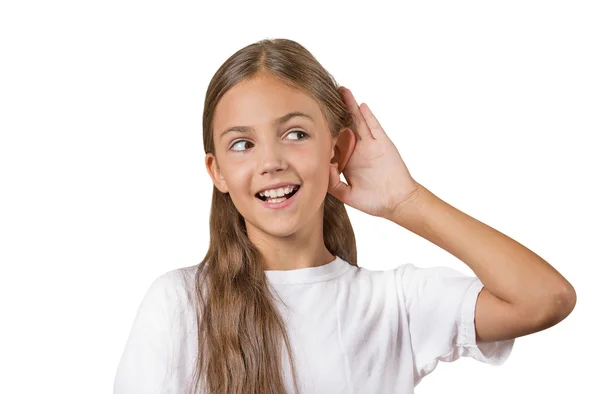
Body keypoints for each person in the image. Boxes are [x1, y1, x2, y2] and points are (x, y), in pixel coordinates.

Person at [113, 38, 576, 394]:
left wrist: (406, 202)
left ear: (336, 150)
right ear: (217, 171)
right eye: (242, 144)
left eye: (295, 133)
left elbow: (545, 297)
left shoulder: (395, 305)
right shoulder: (178, 305)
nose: (270, 161)